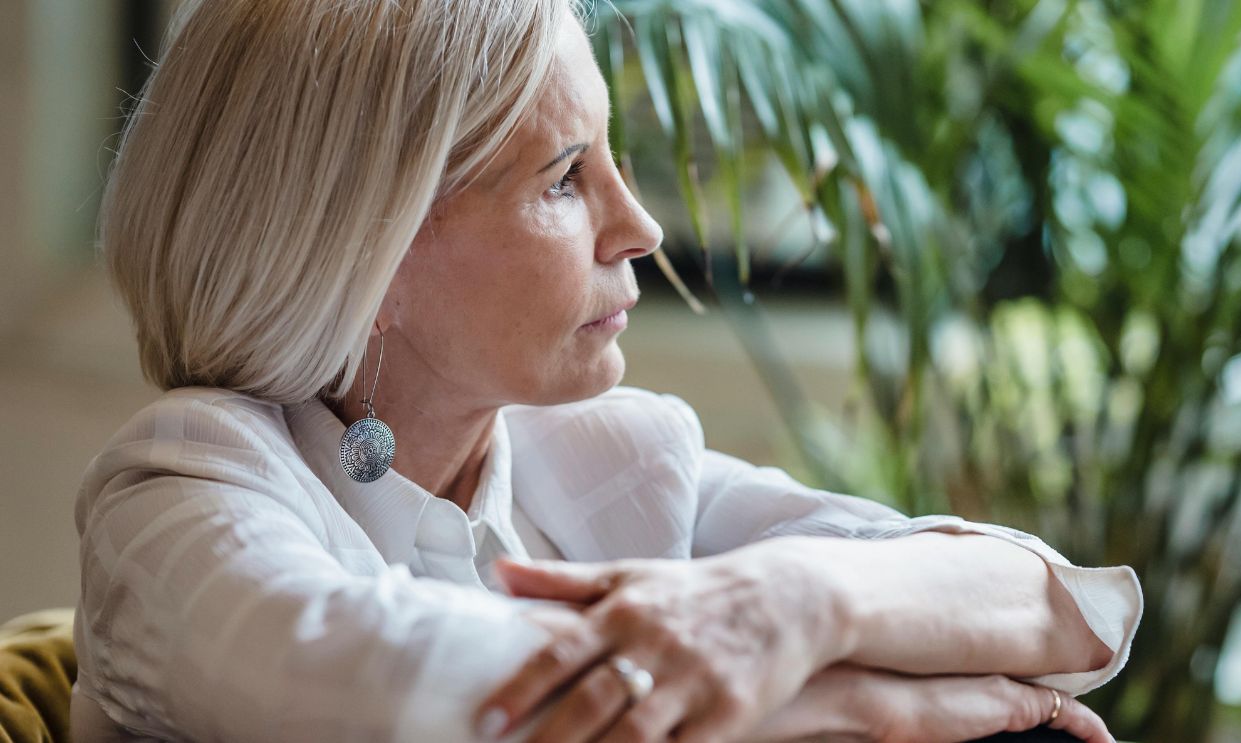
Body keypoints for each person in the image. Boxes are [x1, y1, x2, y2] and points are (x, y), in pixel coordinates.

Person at [72, 0, 1143, 741]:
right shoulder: (180, 489)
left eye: (613, 160)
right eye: (560, 179)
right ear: (369, 252)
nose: (637, 226)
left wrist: (786, 603)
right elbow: (417, 696)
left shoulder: (608, 453)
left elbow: (1058, 607)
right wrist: (884, 705)